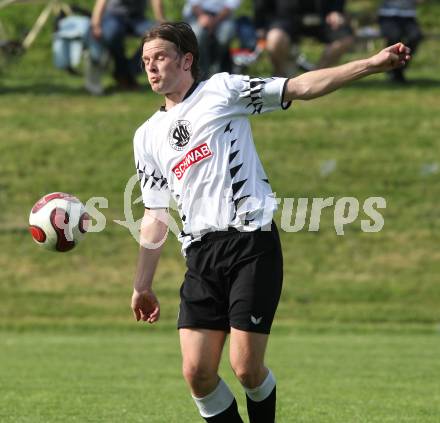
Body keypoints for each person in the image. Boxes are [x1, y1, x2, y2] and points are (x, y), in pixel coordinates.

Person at [130, 21, 410, 422]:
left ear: (187, 59)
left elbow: (300, 87)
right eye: (145, 61)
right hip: (200, 256)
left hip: (250, 244)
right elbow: (155, 215)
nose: (151, 68)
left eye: (160, 57)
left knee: (246, 368)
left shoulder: (221, 91)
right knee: (197, 373)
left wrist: (370, 63)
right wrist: (142, 284)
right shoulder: (146, 136)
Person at [256, 0, 355, 76]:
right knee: (274, 38)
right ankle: (280, 76)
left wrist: (336, 11)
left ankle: (315, 76)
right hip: (286, 19)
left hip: (322, 18)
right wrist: (260, 25)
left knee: (346, 38)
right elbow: (262, 5)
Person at [90, 0, 165, 90]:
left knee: (158, 37)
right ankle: (123, 73)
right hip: (114, 16)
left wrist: (160, 19)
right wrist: (96, 24)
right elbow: (101, 2)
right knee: (112, 34)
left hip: (138, 18)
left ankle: (128, 72)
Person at [183, 0, 240, 79]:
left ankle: (216, 67)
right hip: (197, 15)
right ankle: (200, 70)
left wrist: (214, 21)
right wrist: (203, 17)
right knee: (197, 34)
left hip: (222, 16)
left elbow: (230, 6)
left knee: (226, 34)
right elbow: (194, 4)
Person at [378, 0, 423, 83]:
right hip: (387, 15)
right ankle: (392, 69)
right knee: (394, 37)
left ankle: (399, 67)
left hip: (408, 16)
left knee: (416, 36)